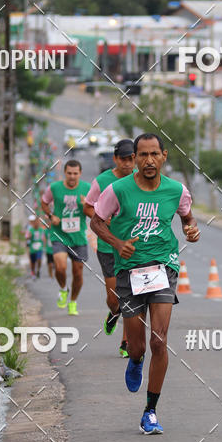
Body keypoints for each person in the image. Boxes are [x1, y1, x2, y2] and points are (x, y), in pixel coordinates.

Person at [91, 133, 199, 435]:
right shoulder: (118, 190)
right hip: (129, 271)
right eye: (142, 155)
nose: (149, 161)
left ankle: (150, 411)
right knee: (138, 346)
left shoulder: (176, 190)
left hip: (164, 266)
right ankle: (135, 360)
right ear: (135, 159)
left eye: (155, 154)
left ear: (164, 156)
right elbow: (96, 221)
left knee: (159, 340)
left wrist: (191, 231)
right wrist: (117, 242)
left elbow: (187, 218)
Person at [83, 139, 136, 357]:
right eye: (123, 159)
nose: (127, 163)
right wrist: (105, 223)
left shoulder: (140, 180)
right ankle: (113, 313)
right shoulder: (102, 181)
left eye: (131, 159)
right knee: (115, 299)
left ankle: (127, 342)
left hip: (133, 248)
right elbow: (88, 208)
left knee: (132, 296)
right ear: (115, 159)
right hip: (107, 246)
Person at [41, 160, 91, 315]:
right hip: (59, 234)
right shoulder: (55, 188)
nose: (72, 176)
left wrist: (86, 206)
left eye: (75, 173)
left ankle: (73, 301)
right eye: (69, 173)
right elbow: (44, 202)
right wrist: (50, 215)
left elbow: (96, 209)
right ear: (65, 173)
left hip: (78, 237)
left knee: (78, 273)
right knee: (60, 267)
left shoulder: (87, 189)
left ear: (80, 173)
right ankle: (63, 289)